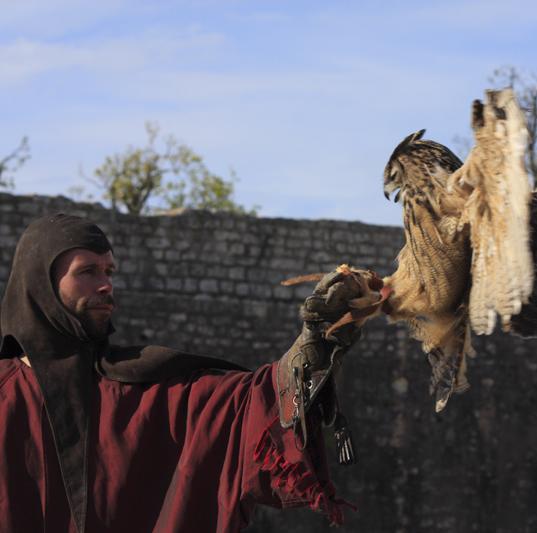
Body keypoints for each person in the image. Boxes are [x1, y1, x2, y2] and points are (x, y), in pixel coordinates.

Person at [0, 213, 362, 533]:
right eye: (87, 271)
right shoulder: (5, 393)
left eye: (109, 272)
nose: (106, 284)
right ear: (41, 285)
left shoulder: (142, 386)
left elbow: (242, 406)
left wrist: (311, 352)